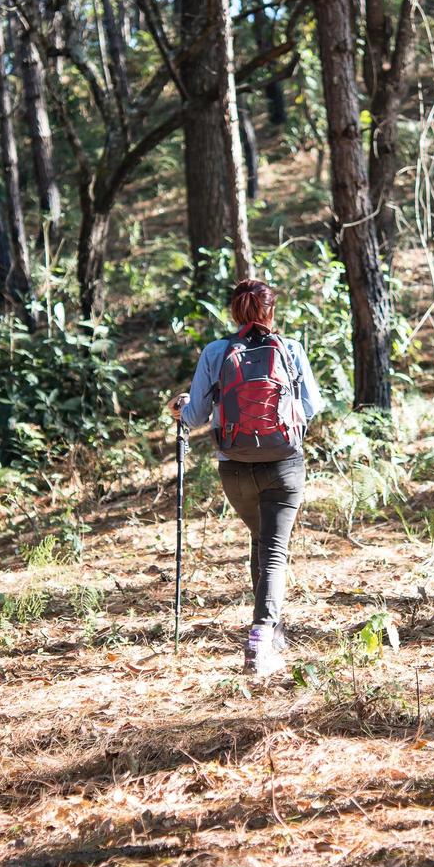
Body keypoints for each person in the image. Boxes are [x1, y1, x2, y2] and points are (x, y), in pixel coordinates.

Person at [169, 279, 324, 676]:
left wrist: (179, 408)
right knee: (273, 550)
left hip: (234, 467)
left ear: (235, 313)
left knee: (262, 542)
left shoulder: (216, 352)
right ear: (271, 312)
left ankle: (274, 632)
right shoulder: (289, 350)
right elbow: (312, 406)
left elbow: (196, 416)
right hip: (284, 465)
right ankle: (261, 633)